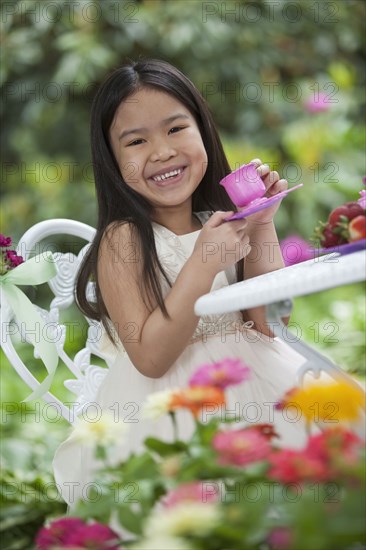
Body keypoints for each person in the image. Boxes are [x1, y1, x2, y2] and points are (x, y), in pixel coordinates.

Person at [53, 58, 308, 507]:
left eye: (176, 129)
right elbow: (151, 357)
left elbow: (271, 324)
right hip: (168, 406)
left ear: (203, 131)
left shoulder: (220, 223)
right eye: (136, 140)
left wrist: (262, 224)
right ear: (112, 160)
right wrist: (202, 264)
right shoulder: (123, 240)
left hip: (255, 379)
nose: (163, 151)